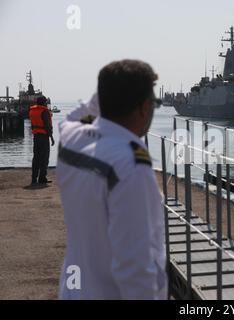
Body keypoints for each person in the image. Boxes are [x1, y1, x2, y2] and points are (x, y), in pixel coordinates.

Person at [56, 59, 166, 299]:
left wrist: (114, 87)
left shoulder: (70, 139)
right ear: (144, 107)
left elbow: (76, 116)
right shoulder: (131, 165)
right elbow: (136, 267)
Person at [29, 96, 55, 184]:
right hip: (43, 137)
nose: (46, 103)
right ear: (43, 102)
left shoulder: (32, 111)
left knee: (36, 157)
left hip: (36, 136)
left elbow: (32, 124)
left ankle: (33, 178)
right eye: (45, 102)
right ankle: (42, 178)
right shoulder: (45, 111)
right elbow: (47, 126)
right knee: (44, 158)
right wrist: (51, 137)